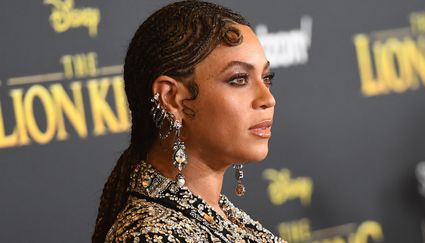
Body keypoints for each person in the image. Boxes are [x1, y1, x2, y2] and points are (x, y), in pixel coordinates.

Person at [93, 1, 285, 242]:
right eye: (239, 79)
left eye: (267, 78)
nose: (268, 99)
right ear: (171, 98)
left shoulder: (217, 214)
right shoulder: (150, 235)